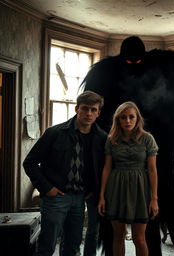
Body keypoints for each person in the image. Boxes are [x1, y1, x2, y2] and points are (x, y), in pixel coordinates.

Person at [81, 17, 174, 256]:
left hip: (160, 152)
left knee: (155, 218)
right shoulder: (105, 72)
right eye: (129, 61)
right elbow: (91, 113)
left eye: (138, 61)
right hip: (117, 159)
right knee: (113, 227)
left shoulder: (160, 63)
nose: (135, 65)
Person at [23, 91, 107, 256]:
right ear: (77, 109)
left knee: (72, 247)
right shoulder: (55, 133)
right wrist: (47, 188)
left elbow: (102, 168)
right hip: (55, 197)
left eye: (93, 110)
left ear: (98, 113)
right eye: (85, 108)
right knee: (47, 245)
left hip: (80, 198)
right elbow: (29, 162)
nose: (89, 113)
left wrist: (93, 190)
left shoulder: (102, 138)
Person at [98, 101, 159, 256]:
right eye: (123, 118)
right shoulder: (112, 139)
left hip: (139, 189)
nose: (127, 121)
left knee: (139, 239)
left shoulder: (147, 139)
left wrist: (154, 198)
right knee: (118, 236)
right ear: (118, 120)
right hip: (116, 188)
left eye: (131, 117)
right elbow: (107, 168)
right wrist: (102, 196)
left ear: (137, 119)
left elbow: (152, 169)